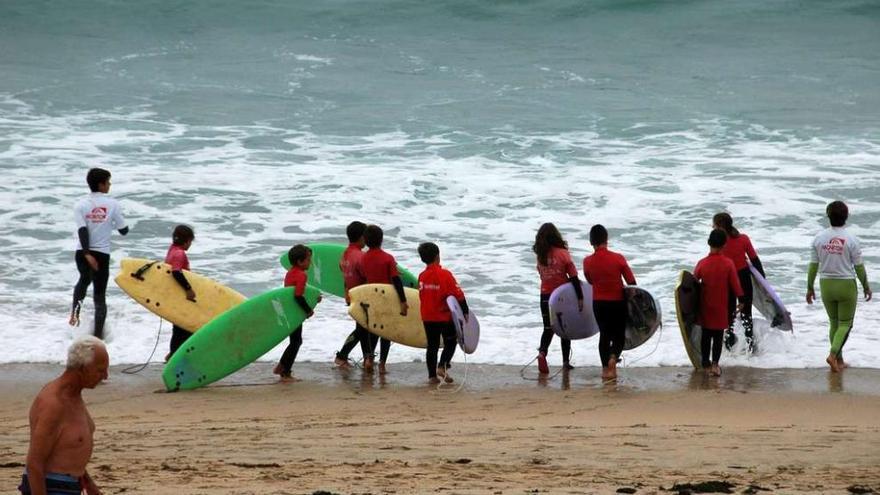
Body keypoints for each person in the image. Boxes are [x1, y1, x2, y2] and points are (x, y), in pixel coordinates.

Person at [21, 336, 109, 495]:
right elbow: (34, 464)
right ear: (82, 368)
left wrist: (89, 485)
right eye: (100, 370)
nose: (105, 376)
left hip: (70, 485)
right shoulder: (54, 404)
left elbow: (68, 450)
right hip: (50, 487)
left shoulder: (74, 396)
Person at [806, 201, 872, 372]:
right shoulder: (852, 240)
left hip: (826, 284)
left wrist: (809, 287)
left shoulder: (818, 238)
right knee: (845, 324)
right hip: (845, 285)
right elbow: (859, 267)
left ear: (828, 216)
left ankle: (839, 361)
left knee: (834, 323)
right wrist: (866, 286)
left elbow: (813, 265)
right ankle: (833, 355)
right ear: (846, 217)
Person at [70, 168, 129, 339]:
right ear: (101, 184)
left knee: (83, 280)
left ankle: (75, 314)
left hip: (82, 251)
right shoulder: (113, 204)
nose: (109, 185)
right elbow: (123, 230)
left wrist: (87, 254)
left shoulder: (80, 204)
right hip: (101, 253)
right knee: (99, 294)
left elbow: (82, 230)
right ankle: (97, 336)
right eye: (108, 182)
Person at [582, 224, 636, 380]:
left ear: (591, 241)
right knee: (618, 334)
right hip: (618, 302)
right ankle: (613, 358)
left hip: (599, 303)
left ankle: (606, 369)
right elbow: (631, 281)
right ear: (606, 239)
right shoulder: (618, 258)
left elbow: (590, 280)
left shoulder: (587, 262)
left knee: (604, 335)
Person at [355, 224, 408, 375]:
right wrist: (403, 301)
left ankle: (369, 358)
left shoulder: (362, 258)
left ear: (365, 239)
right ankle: (383, 364)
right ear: (382, 240)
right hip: (386, 299)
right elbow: (396, 281)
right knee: (387, 333)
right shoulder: (388, 258)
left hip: (370, 298)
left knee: (373, 330)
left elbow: (363, 277)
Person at [532, 223, 583, 376]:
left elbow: (543, 277)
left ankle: (542, 353)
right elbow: (573, 277)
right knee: (564, 328)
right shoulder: (562, 253)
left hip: (545, 296)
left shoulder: (540, 257)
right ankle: (565, 362)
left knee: (548, 328)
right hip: (562, 296)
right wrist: (580, 297)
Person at [712, 212, 766, 353]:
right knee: (746, 312)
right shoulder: (743, 239)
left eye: (714, 225)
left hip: (727, 280)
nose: (712, 227)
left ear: (720, 226)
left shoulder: (719, 243)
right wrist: (763, 282)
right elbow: (754, 259)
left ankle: (729, 341)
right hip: (743, 278)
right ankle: (750, 344)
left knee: (729, 311)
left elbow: (714, 262)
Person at [694, 229, 745, 377]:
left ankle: (705, 363)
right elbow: (735, 284)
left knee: (706, 334)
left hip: (705, 305)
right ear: (724, 245)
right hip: (721, 306)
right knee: (717, 336)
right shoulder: (728, 264)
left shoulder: (702, 263)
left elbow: (692, 283)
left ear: (709, 243)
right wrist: (741, 300)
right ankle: (715, 365)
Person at [417, 242, 470, 384]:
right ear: (437, 256)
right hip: (444, 316)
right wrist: (465, 312)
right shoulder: (445, 275)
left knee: (432, 346)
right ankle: (442, 366)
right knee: (451, 342)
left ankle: (432, 376)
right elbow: (458, 295)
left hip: (427, 316)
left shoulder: (422, 276)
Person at [273, 245, 320, 381]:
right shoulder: (301, 275)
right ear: (300, 262)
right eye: (308, 260)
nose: (310, 262)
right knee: (296, 341)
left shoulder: (290, 272)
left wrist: (314, 298)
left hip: (289, 310)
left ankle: (282, 367)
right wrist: (308, 310)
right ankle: (284, 370)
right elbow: (298, 295)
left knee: (294, 341)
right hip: (295, 311)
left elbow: (296, 292)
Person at [333, 221, 374, 370]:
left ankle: (366, 359)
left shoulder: (345, 254)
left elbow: (344, 274)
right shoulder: (361, 257)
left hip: (351, 295)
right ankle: (343, 356)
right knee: (362, 329)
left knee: (362, 329)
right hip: (362, 297)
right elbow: (369, 279)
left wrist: (346, 293)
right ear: (362, 237)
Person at [164, 225, 196, 362]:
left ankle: (173, 354)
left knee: (179, 329)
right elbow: (176, 272)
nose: (190, 245)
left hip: (175, 296)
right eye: (190, 242)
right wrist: (188, 289)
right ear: (187, 240)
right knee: (184, 329)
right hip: (180, 296)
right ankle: (175, 356)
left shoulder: (172, 250)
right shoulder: (179, 253)